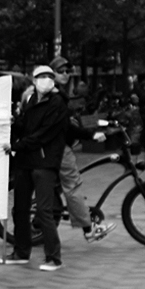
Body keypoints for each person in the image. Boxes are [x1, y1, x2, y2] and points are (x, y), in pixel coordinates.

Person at [0, 64, 68, 271]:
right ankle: (21, 252)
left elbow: (43, 135)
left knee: (44, 211)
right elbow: (25, 127)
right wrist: (12, 123)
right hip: (25, 162)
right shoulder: (30, 101)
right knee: (19, 209)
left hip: (44, 163)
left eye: (49, 77)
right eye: (41, 76)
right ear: (34, 80)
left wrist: (16, 146)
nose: (45, 80)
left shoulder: (58, 104)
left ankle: (53, 257)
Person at [50, 55, 114, 243]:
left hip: (56, 146)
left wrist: (98, 124)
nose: (65, 75)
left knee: (62, 187)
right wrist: (90, 135)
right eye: (60, 71)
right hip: (59, 148)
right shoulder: (56, 97)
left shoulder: (56, 94)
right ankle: (89, 230)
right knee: (73, 187)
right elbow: (65, 126)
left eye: (68, 71)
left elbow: (70, 122)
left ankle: (47, 216)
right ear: (51, 73)